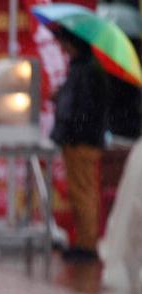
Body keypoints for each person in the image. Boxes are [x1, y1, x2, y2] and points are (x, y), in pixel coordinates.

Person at [50, 26, 108, 262]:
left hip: (82, 140)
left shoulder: (86, 69)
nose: (62, 47)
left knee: (83, 192)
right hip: (80, 138)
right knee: (80, 191)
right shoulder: (82, 67)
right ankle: (84, 241)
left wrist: (71, 126)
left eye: (64, 42)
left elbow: (82, 107)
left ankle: (87, 244)